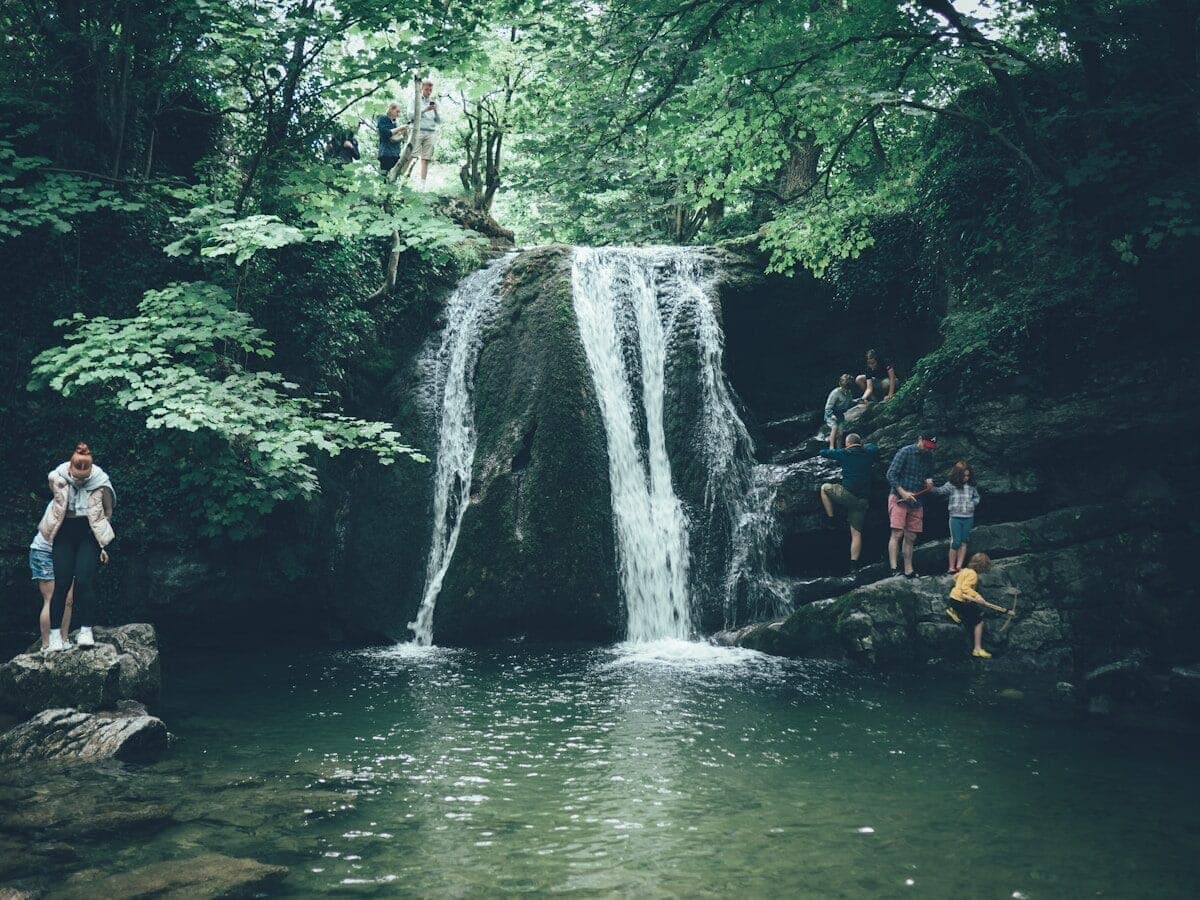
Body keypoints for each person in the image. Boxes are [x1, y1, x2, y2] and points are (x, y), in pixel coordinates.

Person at [38, 443, 115, 649]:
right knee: (62, 583)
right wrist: (59, 481)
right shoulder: (59, 477)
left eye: (85, 476)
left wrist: (101, 541)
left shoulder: (102, 482)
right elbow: (51, 479)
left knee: (84, 580)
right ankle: (55, 637)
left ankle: (86, 632)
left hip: (88, 534)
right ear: (70, 468)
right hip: (64, 533)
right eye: (76, 476)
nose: (80, 479)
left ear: (91, 471)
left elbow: (108, 510)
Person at [819, 433, 879, 570]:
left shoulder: (845, 453)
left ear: (847, 444)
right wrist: (864, 446)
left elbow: (823, 452)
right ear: (860, 443)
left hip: (847, 496)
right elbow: (874, 447)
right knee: (856, 534)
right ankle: (854, 566)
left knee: (824, 488)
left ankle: (831, 519)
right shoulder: (868, 452)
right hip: (862, 502)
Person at [885, 432, 937, 577]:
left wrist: (929, 480)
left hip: (917, 500)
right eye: (926, 446)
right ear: (919, 439)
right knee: (897, 533)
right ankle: (894, 569)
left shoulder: (930, 456)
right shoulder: (904, 452)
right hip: (898, 498)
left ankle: (909, 570)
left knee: (911, 536)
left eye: (931, 447)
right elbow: (891, 474)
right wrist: (902, 492)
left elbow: (929, 473)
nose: (928, 449)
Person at [29, 529, 74, 653]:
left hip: (67, 553)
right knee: (51, 598)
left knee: (68, 599)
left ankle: (64, 640)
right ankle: (47, 645)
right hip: (44, 552)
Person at [934, 460, 981, 573]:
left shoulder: (971, 486)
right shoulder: (951, 485)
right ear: (957, 475)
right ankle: (951, 567)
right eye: (963, 476)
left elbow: (977, 498)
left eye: (968, 476)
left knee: (964, 541)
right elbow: (940, 491)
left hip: (968, 517)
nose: (966, 478)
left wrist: (972, 503)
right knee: (955, 542)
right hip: (955, 517)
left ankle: (959, 566)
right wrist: (930, 487)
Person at [945, 552, 995, 658]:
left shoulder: (965, 570)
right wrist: (978, 597)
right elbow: (965, 588)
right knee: (978, 622)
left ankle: (953, 610)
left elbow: (955, 578)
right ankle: (977, 649)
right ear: (981, 567)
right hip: (960, 601)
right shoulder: (973, 575)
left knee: (969, 612)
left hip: (953, 598)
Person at [411, 79, 441, 188]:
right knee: (412, 155)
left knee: (426, 159)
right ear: (421, 89)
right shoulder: (415, 99)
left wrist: (435, 110)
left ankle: (422, 185)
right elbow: (410, 115)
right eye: (427, 89)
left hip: (431, 133)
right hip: (418, 131)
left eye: (430, 90)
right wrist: (425, 109)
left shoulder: (434, 102)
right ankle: (403, 179)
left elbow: (439, 121)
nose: (429, 92)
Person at [823, 374, 859, 449]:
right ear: (840, 384)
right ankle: (831, 447)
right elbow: (828, 407)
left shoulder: (848, 393)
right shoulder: (835, 393)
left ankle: (839, 448)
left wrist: (859, 401)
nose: (845, 390)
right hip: (831, 414)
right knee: (834, 427)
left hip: (840, 415)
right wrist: (831, 415)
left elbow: (850, 402)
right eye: (844, 388)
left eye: (847, 388)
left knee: (840, 433)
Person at [377, 102, 408, 174]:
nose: (398, 114)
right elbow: (386, 133)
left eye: (399, 112)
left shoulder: (395, 123)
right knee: (384, 177)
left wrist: (404, 131)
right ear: (391, 109)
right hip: (386, 154)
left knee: (393, 177)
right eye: (397, 111)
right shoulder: (383, 119)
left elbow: (401, 139)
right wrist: (400, 128)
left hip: (395, 154)